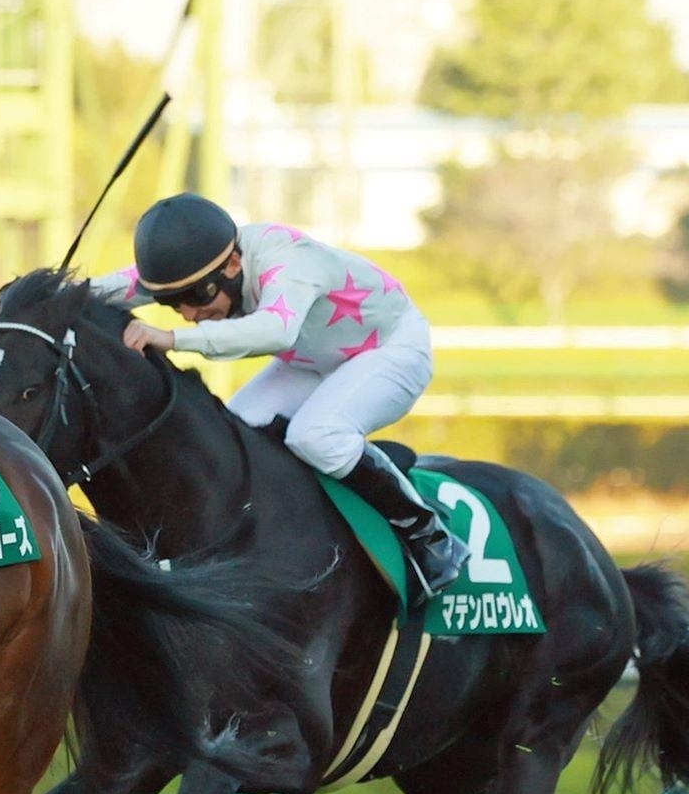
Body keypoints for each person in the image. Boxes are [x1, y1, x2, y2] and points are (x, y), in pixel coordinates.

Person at [95, 193, 470, 604]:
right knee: (232, 437)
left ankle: (430, 535)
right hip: (313, 360)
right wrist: (47, 294)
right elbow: (106, 288)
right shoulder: (204, 263)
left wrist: (172, 338)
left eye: (198, 296)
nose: (188, 313)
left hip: (391, 350)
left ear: (233, 265)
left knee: (316, 436)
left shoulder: (288, 260)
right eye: (171, 303)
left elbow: (276, 330)